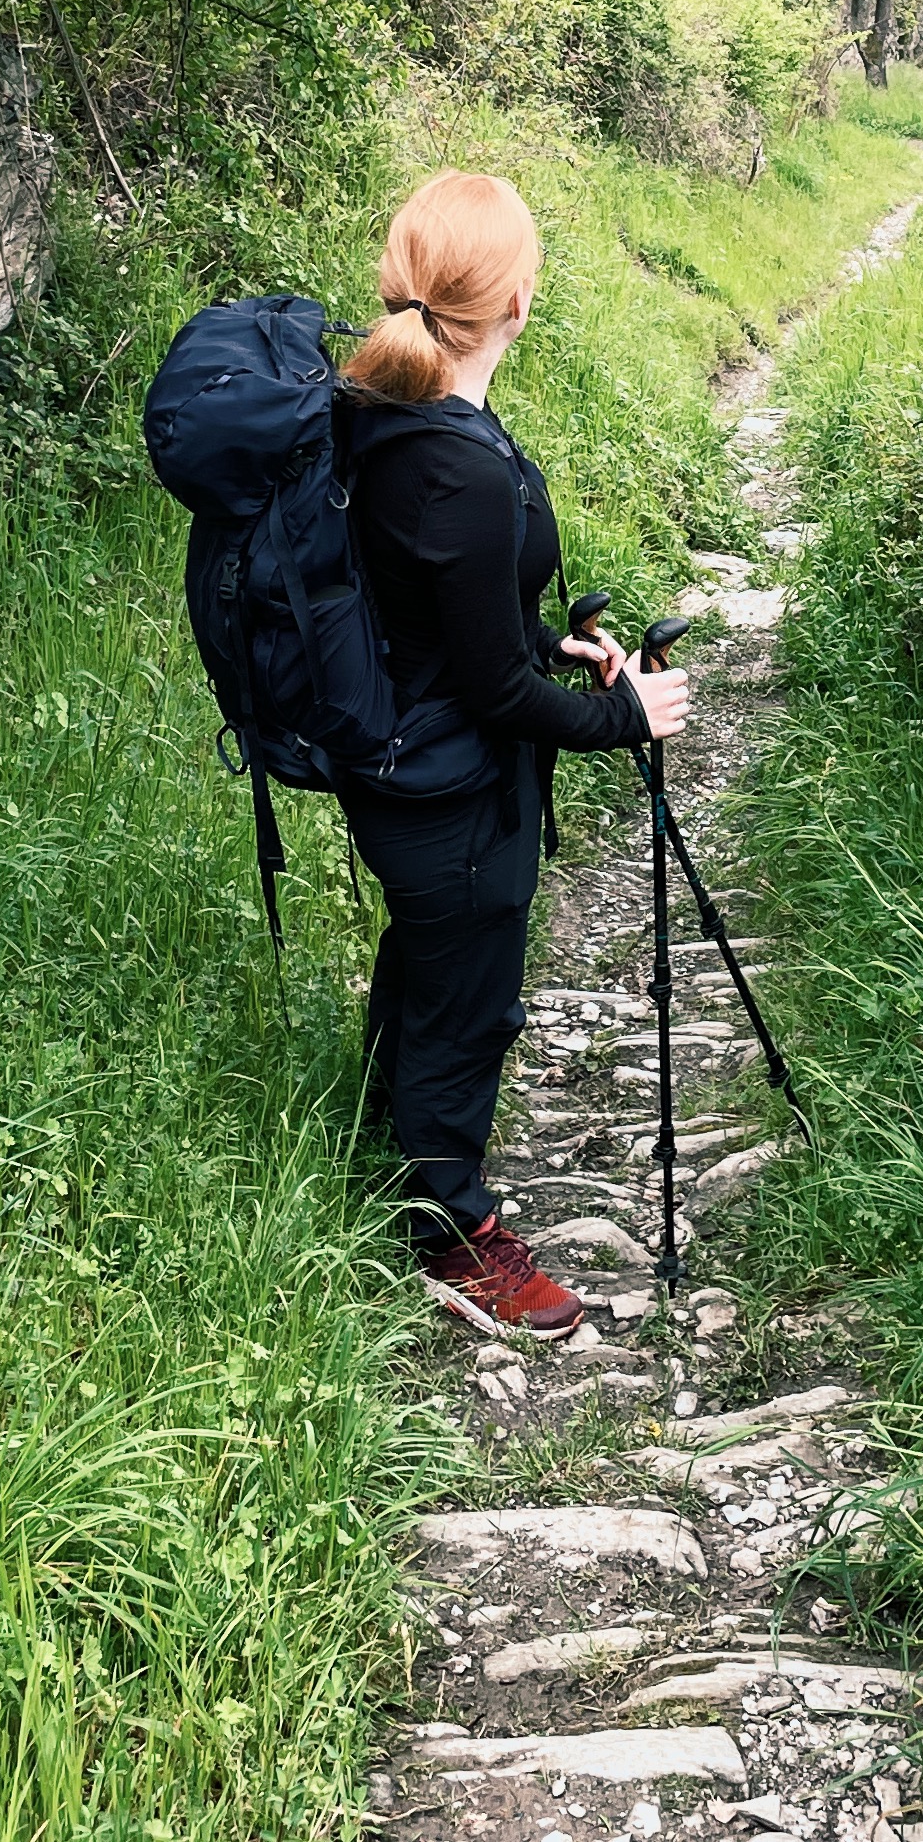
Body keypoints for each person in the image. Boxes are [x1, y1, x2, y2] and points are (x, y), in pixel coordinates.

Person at [338, 170, 689, 1340]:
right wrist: (628, 717)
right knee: (469, 1000)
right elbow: (491, 687)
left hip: (398, 747)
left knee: (430, 959)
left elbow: (450, 609)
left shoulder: (397, 406)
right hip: (441, 779)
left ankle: (385, 1142)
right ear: (518, 300)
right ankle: (452, 1233)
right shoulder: (459, 459)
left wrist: (557, 644)